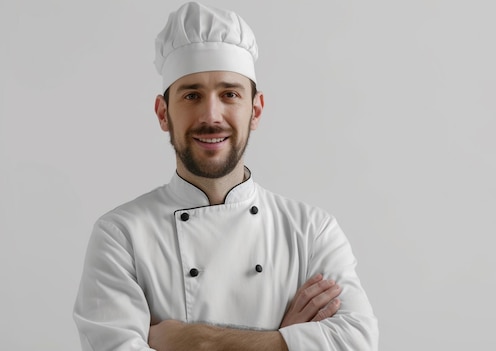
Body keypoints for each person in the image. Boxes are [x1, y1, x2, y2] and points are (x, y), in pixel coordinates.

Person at [73, 2, 378, 350]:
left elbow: (357, 342)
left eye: (229, 94)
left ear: (256, 110)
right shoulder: (120, 236)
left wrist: (195, 341)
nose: (211, 115)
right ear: (163, 113)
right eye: (192, 95)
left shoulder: (311, 230)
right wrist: (286, 341)